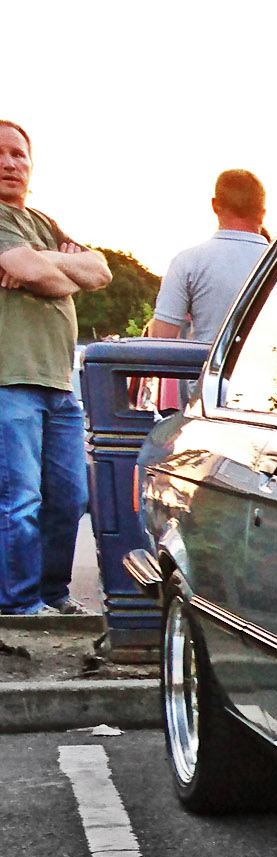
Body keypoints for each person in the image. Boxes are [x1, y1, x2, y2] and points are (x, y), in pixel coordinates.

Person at [0, 120, 112, 616]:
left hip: (59, 383)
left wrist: (44, 263)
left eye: (19, 154)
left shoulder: (42, 222)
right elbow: (34, 273)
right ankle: (19, 605)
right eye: (0, 154)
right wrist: (56, 270)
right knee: (18, 503)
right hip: (9, 379)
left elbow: (101, 270)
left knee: (69, 500)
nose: (9, 163)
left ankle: (52, 595)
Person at [148, 170, 270, 345]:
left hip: (206, 369)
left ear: (214, 205)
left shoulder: (186, 262)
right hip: (276, 370)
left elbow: (161, 338)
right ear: (262, 213)